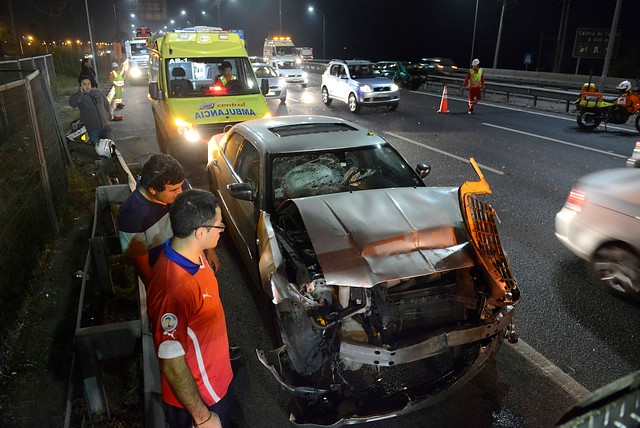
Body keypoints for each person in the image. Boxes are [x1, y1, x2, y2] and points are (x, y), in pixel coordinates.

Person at [147, 189, 234, 428]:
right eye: (219, 226)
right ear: (200, 233)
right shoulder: (172, 289)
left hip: (217, 382)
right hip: (200, 400)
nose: (222, 230)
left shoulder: (191, 252)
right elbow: (173, 365)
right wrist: (203, 418)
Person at [68, 75, 112, 147]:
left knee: (109, 148)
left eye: (89, 83)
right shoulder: (79, 96)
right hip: (93, 129)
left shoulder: (98, 92)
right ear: (80, 85)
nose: (87, 86)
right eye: (84, 84)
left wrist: (109, 118)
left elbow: (106, 105)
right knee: (97, 148)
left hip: (105, 126)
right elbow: (72, 104)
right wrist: (80, 93)